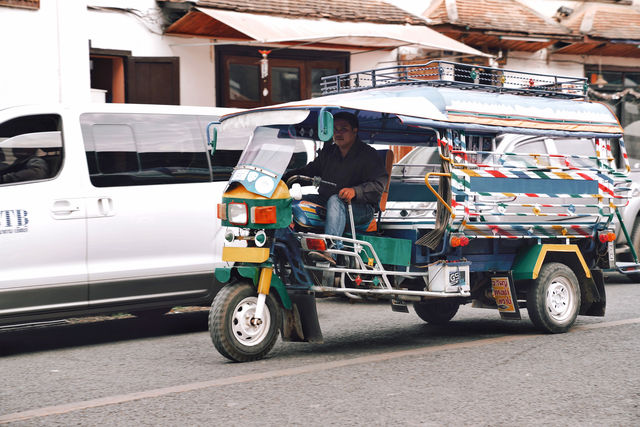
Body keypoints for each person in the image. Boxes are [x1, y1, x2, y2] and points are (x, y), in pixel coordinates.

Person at [284, 111, 388, 263]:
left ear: (355, 130)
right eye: (335, 129)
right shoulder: (329, 153)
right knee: (291, 201)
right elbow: (309, 172)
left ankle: (331, 250)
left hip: (360, 209)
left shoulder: (368, 155)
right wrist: (282, 179)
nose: (338, 133)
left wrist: (355, 191)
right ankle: (285, 248)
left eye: (343, 129)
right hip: (326, 201)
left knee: (335, 200)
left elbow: (379, 185)